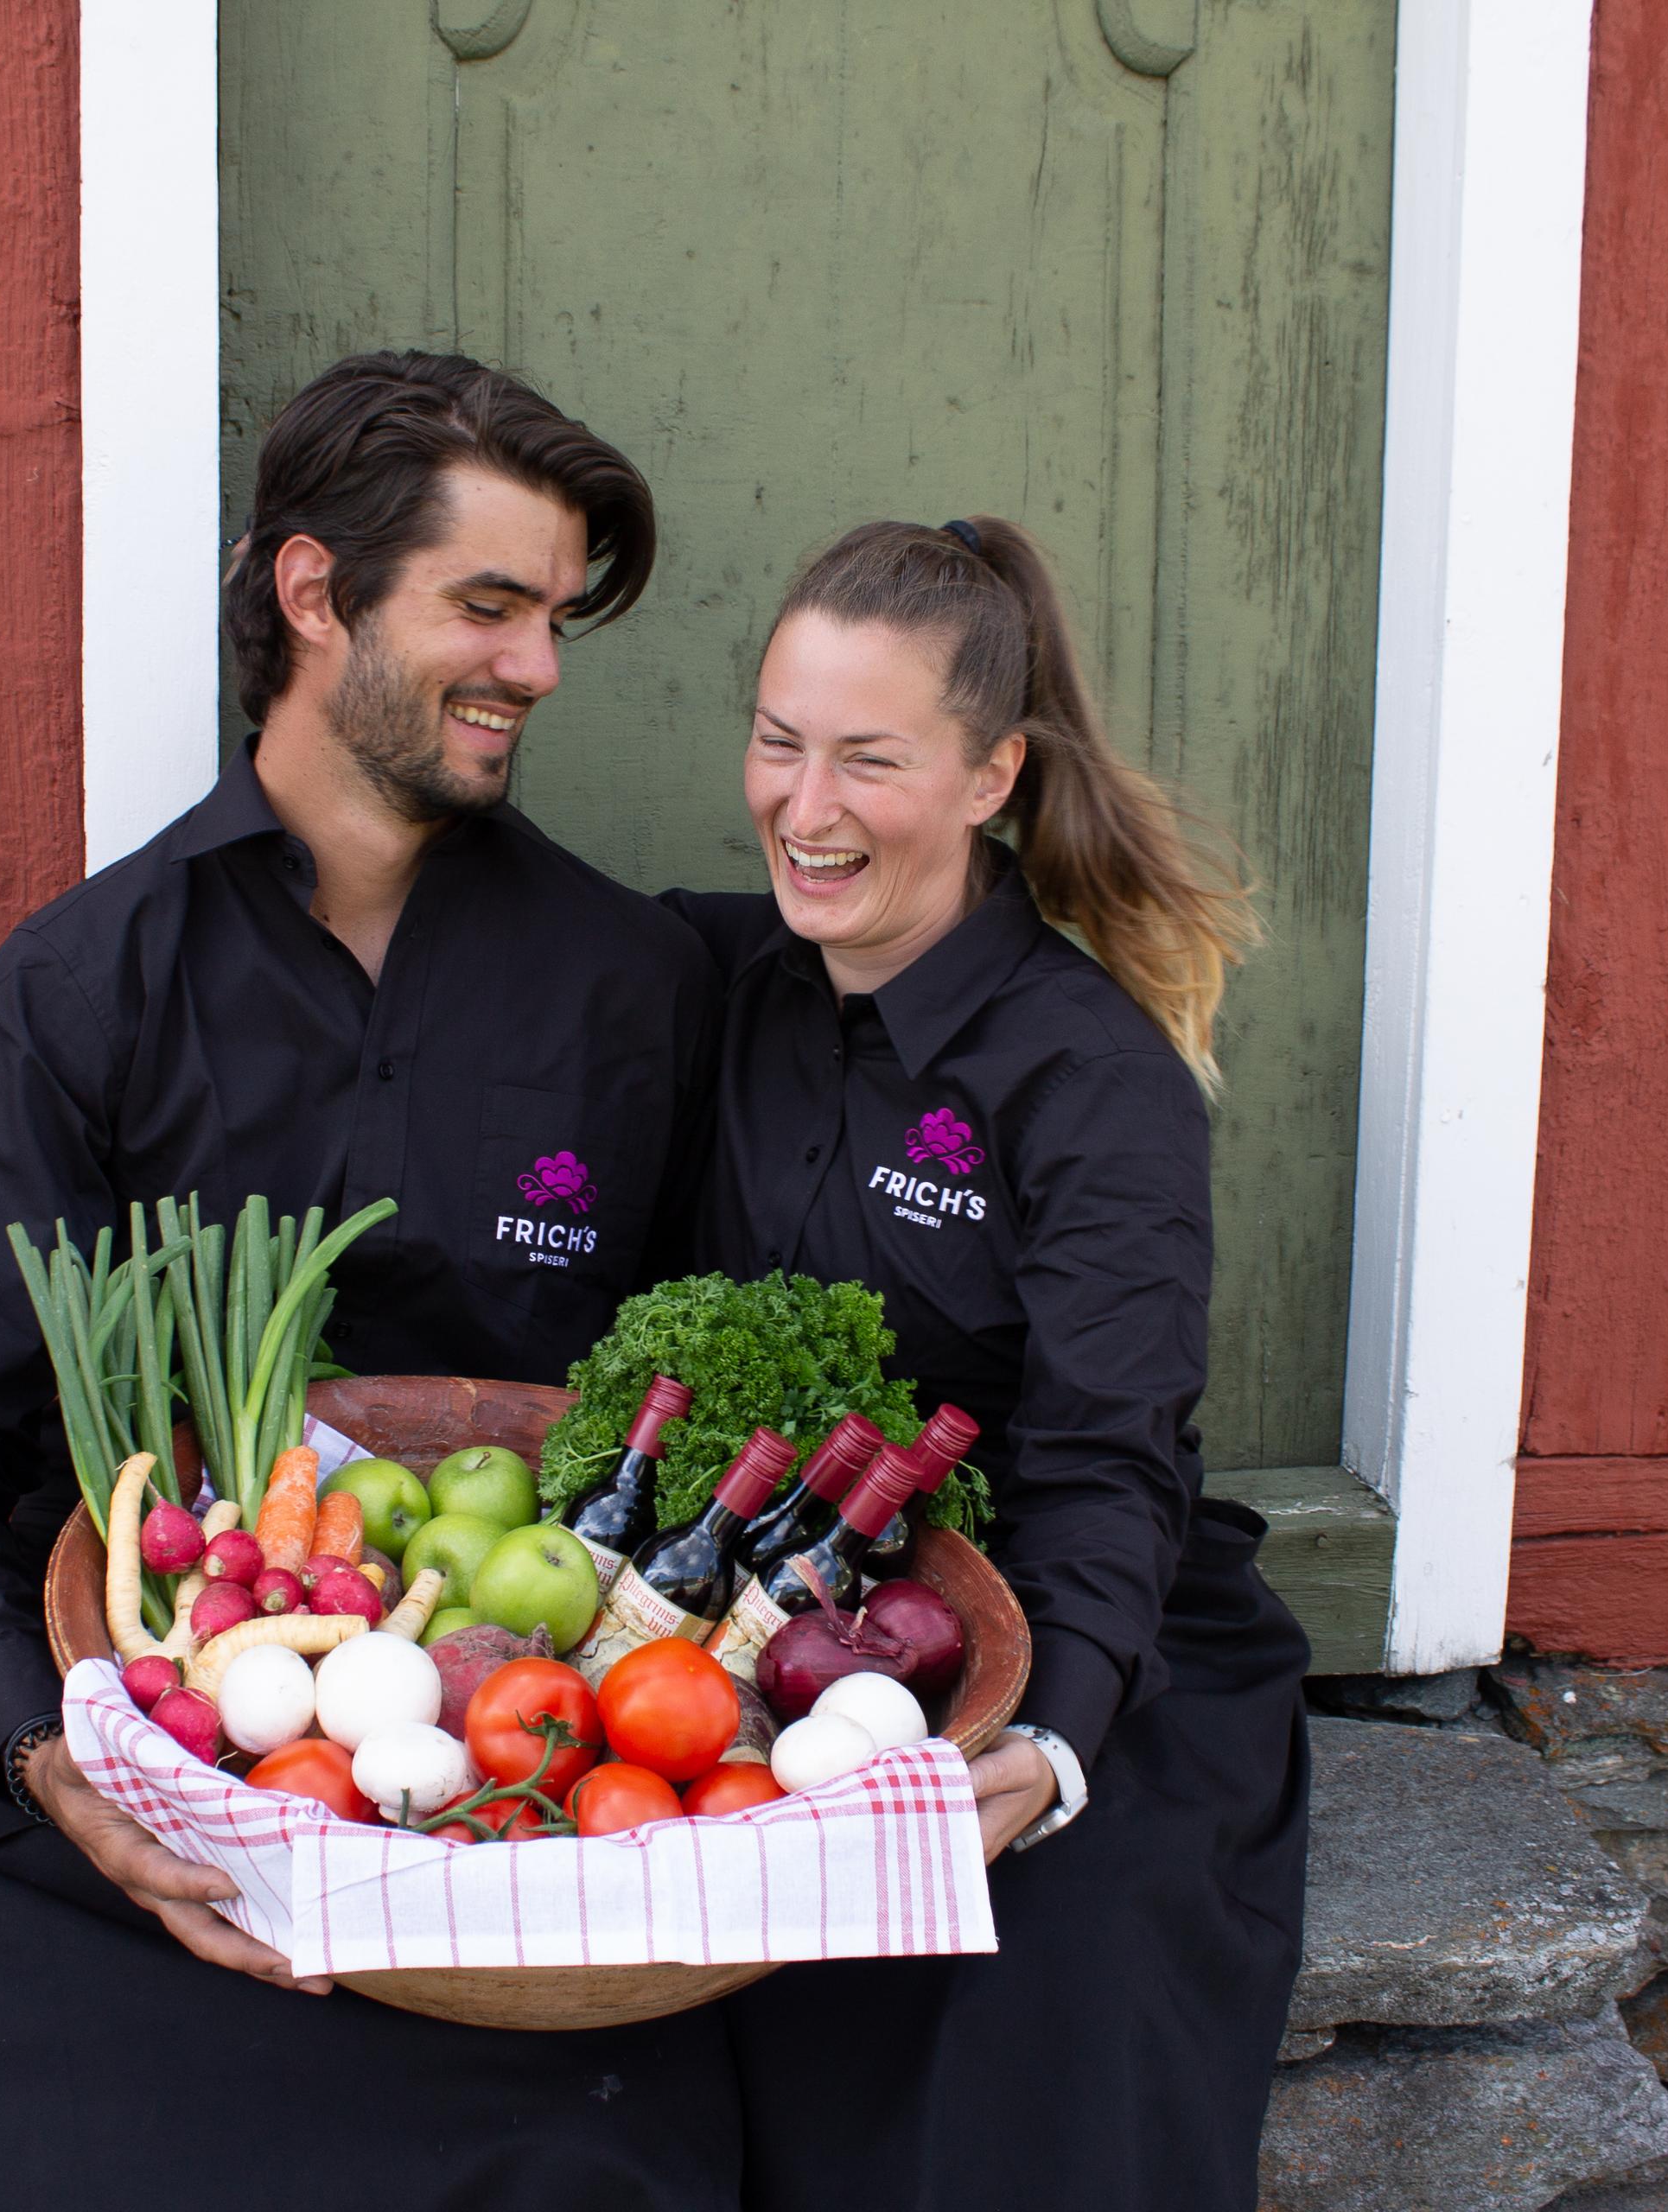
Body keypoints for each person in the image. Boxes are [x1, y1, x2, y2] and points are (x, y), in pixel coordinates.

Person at [0, 352, 738, 2209]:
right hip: (158, 1751)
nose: (539, 668)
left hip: (519, 1798)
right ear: (314, 591)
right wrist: (40, 1745)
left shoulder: (631, 984)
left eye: (556, 619)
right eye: (488, 606)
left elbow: (697, 1415)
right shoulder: (91, 984)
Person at [670, 517, 1307, 2211]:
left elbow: (1118, 1452)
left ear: (990, 774)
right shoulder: (729, 981)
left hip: (1078, 1601)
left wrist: (1065, 1731)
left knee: (1012, 2007)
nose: (805, 808)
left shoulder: (1090, 1081)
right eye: (779, 740)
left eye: (869, 760)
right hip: (794, 1582)